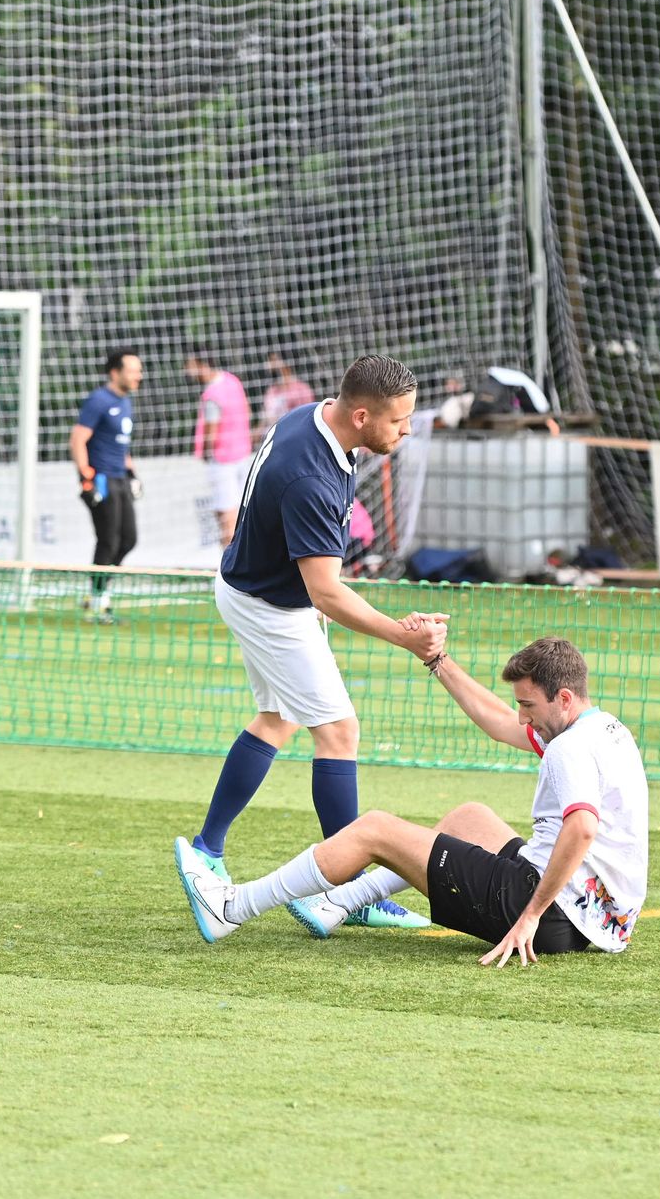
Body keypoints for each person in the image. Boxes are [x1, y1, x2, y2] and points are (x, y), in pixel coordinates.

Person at [175, 636, 647, 965]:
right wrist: (438, 660)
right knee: (470, 817)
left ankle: (232, 908)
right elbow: (498, 721)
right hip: (594, 917)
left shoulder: (569, 747)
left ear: (563, 697)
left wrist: (529, 916)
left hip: (545, 910)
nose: (523, 717)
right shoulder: (603, 728)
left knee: (374, 828)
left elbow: (581, 828)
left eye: (529, 706)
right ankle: (337, 903)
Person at [186, 354, 448, 931]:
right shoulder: (312, 477)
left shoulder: (315, 417)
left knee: (277, 718)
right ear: (360, 415)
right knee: (338, 731)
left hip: (256, 589)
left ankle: (206, 850)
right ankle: (347, 891)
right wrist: (407, 637)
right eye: (399, 421)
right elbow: (326, 593)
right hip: (272, 607)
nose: (406, 431)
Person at [68, 351, 142, 625]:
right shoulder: (99, 400)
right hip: (102, 480)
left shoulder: (125, 402)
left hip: (120, 478)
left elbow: (121, 446)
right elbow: (77, 439)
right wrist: (85, 475)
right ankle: (97, 605)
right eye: (133, 371)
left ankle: (96, 592)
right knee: (108, 541)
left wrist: (133, 474)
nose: (138, 376)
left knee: (128, 540)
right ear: (115, 372)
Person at [185, 352, 253, 549]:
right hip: (242, 454)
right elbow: (247, 410)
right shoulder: (232, 381)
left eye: (190, 365)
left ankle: (228, 568)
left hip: (222, 459)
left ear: (201, 364)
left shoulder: (212, 394)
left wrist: (206, 452)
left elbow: (211, 429)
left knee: (225, 515)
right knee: (240, 511)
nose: (187, 372)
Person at [258, 352, 316, 435]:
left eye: (273, 360)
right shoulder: (271, 391)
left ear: (287, 364)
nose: (269, 366)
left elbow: (307, 419)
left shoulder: (301, 389)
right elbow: (264, 419)